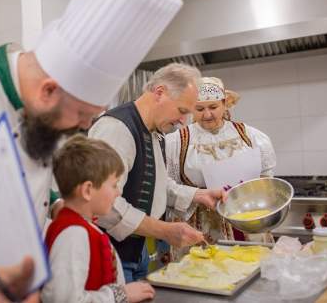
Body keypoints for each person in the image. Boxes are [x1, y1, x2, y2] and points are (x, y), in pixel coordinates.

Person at [0, 0, 182, 299]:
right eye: (82, 115)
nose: (83, 127)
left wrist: (56, 206)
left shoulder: (45, 114)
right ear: (48, 91)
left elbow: (24, 179)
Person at [89, 63, 227, 282]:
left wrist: (199, 195)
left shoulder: (155, 132)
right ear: (160, 93)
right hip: (112, 255)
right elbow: (102, 206)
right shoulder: (117, 129)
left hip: (138, 251)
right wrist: (164, 230)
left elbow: (159, 184)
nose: (183, 122)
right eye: (182, 111)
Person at [165, 77, 276, 248]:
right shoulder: (176, 142)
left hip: (246, 219)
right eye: (199, 108)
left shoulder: (250, 135)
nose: (207, 115)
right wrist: (196, 195)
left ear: (225, 104)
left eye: (213, 107)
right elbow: (166, 186)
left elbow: (266, 175)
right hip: (201, 226)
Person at [42, 134, 155, 303]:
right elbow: (64, 299)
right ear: (87, 190)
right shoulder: (73, 234)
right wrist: (121, 294)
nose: (119, 192)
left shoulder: (81, 227)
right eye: (114, 184)